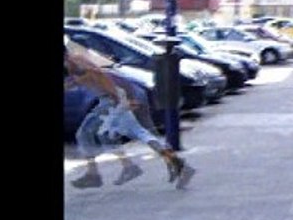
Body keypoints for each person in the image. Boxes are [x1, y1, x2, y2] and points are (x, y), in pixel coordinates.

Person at [64, 41, 196, 190]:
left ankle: (95, 174)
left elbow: (98, 73)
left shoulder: (75, 61)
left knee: (85, 133)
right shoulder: (74, 62)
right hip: (113, 99)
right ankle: (173, 165)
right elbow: (91, 76)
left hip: (112, 101)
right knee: (132, 134)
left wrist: (120, 99)